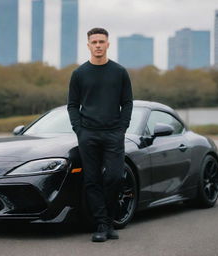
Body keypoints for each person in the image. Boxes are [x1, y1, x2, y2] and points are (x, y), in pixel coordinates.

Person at [67, 27, 133, 242]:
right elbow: (72, 105)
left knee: (114, 176)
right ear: (88, 45)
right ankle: (103, 224)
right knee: (92, 179)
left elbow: (127, 103)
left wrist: (122, 128)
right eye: (94, 42)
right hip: (88, 134)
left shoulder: (119, 72)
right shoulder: (79, 74)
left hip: (114, 133)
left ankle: (108, 220)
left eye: (101, 41)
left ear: (107, 44)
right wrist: (79, 130)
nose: (97, 45)